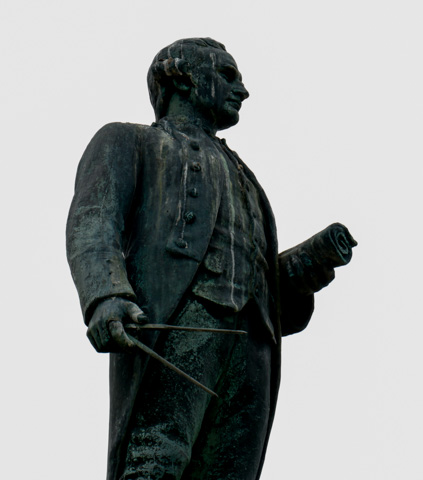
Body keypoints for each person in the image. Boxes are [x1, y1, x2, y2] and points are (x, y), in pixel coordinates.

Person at [66, 38, 354, 480]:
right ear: (181, 75)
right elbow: (94, 221)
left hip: (252, 344)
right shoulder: (129, 141)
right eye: (227, 74)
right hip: (174, 322)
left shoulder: (248, 179)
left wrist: (312, 262)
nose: (242, 90)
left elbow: (261, 279)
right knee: (155, 461)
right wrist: (104, 296)